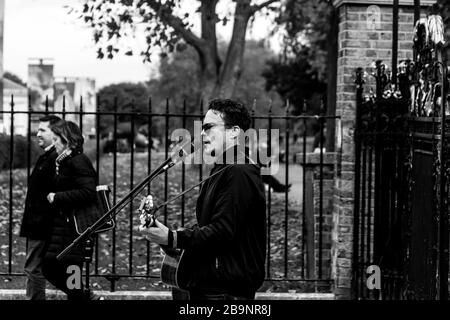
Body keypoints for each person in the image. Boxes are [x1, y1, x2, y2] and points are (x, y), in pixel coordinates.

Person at [139, 99, 267, 300]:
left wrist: (173, 237)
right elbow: (208, 226)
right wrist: (168, 237)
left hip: (226, 291)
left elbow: (222, 232)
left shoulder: (239, 171)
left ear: (234, 132)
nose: (201, 133)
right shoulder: (223, 168)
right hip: (213, 284)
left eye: (209, 127)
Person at [42, 120, 99, 300]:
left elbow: (88, 192)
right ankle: (83, 296)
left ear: (66, 140)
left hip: (75, 231)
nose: (54, 143)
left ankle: (85, 297)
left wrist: (57, 197)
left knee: (68, 273)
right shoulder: (67, 161)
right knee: (54, 269)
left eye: (56, 139)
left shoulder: (78, 161)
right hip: (64, 229)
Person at [19, 115, 61, 300]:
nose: (38, 134)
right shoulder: (48, 156)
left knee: (34, 269)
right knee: (42, 269)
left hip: (42, 224)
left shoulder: (55, 159)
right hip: (38, 223)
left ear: (56, 133)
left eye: (43, 130)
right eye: (38, 129)